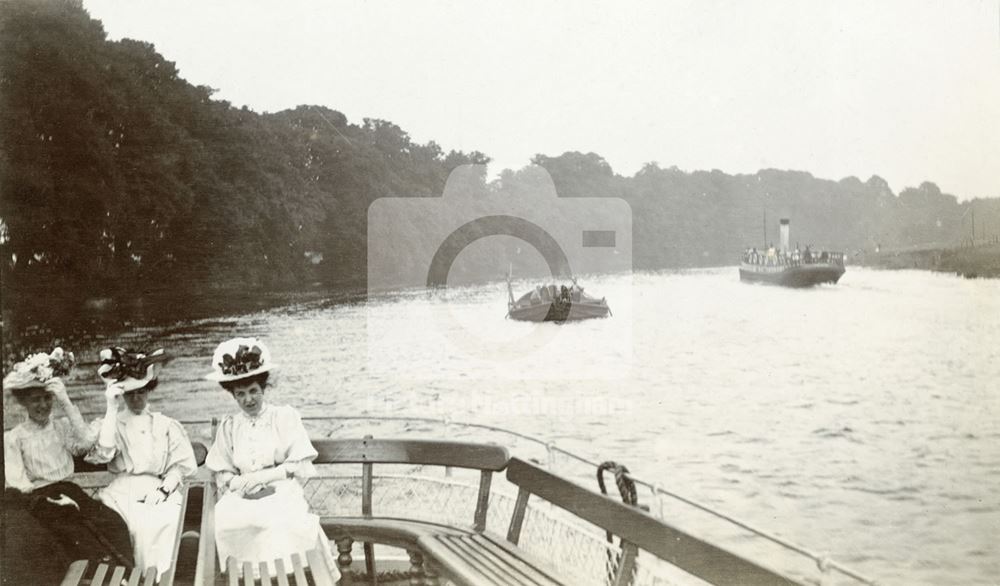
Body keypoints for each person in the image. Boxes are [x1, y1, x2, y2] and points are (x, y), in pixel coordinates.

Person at [204, 337, 338, 581]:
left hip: (280, 487)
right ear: (233, 396)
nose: (248, 400)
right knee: (223, 523)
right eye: (240, 394)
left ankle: (286, 579)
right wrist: (238, 483)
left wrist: (265, 476)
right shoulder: (230, 425)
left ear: (263, 389)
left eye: (254, 391)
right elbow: (222, 470)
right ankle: (244, 580)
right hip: (243, 492)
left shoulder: (283, 416)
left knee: (278, 524)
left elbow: (297, 462)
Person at [3, 348, 134, 583]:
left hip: (71, 491)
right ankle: (104, 580)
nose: (43, 405)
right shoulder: (14, 437)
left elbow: (84, 443)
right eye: (36, 400)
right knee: (78, 535)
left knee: (112, 523)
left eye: (47, 398)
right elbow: (18, 484)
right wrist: (50, 501)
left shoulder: (62, 427)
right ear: (24, 403)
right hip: (40, 499)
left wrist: (64, 400)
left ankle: (127, 577)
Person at [87, 347, 198, 577]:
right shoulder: (114, 423)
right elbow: (105, 452)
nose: (136, 399)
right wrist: (111, 407)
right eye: (130, 394)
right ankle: (136, 578)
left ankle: (164, 576)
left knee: (166, 519)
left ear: (148, 390)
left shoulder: (164, 425)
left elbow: (179, 467)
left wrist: (165, 489)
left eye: (141, 392)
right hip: (122, 490)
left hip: (157, 486)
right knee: (133, 524)